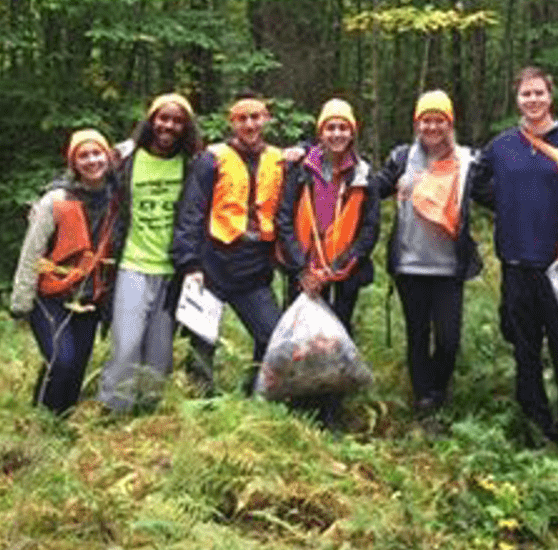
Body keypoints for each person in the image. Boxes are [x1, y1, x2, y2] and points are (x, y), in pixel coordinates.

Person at [472, 66, 558, 446]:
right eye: (526, 93)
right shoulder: (502, 146)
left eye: (539, 92)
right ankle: (535, 424)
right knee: (524, 349)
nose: (533, 99)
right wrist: (507, 205)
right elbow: (475, 183)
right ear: (517, 99)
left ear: (550, 96)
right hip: (515, 263)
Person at [170, 92, 286, 395]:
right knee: (202, 340)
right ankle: (200, 398)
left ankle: (255, 392)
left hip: (254, 266)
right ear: (232, 123)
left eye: (255, 117)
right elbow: (191, 211)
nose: (249, 124)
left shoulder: (279, 159)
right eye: (242, 119)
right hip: (213, 263)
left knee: (271, 335)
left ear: (266, 119)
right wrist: (189, 263)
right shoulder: (211, 158)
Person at [274, 98, 380, 426]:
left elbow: (370, 228)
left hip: (343, 272)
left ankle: (331, 409)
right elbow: (284, 219)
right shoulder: (300, 169)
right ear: (321, 132)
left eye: (343, 127)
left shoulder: (364, 174)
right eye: (330, 127)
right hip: (303, 270)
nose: (337, 133)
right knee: (300, 339)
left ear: (352, 132)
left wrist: (338, 267)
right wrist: (301, 269)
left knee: (336, 340)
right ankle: (298, 403)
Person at [375, 90, 482, 414]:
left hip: (449, 267)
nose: (432, 126)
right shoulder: (402, 159)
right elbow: (369, 189)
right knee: (418, 336)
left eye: (439, 120)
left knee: (449, 340)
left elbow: (499, 192)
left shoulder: (468, 161)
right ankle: (425, 402)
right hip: (410, 266)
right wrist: (308, 154)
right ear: (416, 123)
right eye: (426, 120)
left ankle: (438, 390)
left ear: (450, 123)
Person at [96, 93, 202, 413]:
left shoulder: (193, 164)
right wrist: (51, 198)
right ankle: (114, 409)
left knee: (159, 353)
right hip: (132, 263)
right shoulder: (126, 159)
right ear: (151, 120)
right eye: (163, 118)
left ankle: (148, 413)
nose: (168, 126)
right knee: (127, 344)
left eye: (177, 121)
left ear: (186, 127)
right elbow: (84, 175)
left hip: (172, 271)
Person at [10, 129, 121, 416]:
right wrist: (21, 302)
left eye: (97, 153)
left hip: (90, 297)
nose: (92, 160)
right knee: (62, 359)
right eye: (83, 156)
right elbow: (32, 251)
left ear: (108, 157)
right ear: (73, 163)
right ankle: (42, 419)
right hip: (50, 295)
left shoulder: (118, 198)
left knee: (77, 365)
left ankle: (62, 420)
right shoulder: (55, 199)